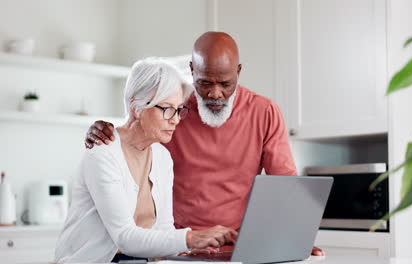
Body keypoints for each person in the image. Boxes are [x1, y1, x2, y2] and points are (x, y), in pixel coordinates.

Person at [85, 32, 324, 256]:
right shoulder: (174, 110)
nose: (215, 94)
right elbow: (136, 134)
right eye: (205, 83)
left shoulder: (264, 112)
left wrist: (296, 237)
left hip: (239, 247)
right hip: (178, 246)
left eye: (226, 84)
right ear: (192, 70)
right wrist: (106, 130)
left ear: (239, 72)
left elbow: (284, 185)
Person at [55, 58, 237, 263]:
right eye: (167, 108)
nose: (175, 119)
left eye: (178, 109)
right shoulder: (102, 153)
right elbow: (124, 237)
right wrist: (190, 237)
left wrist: (186, 251)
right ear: (136, 108)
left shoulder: (162, 157)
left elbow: (164, 229)